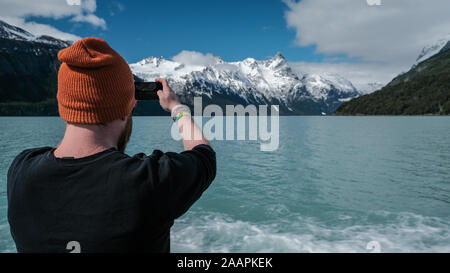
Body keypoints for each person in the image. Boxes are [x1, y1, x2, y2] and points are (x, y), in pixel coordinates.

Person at [7, 38, 216, 253]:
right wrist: (176, 107)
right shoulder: (149, 183)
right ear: (126, 107)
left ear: (64, 103)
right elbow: (204, 156)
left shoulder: (20, 170)